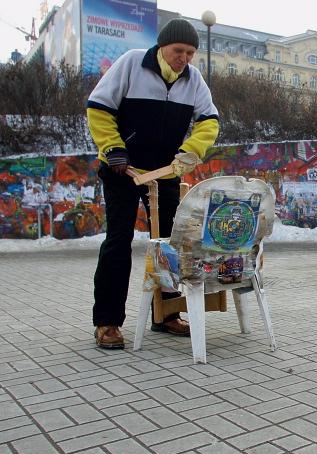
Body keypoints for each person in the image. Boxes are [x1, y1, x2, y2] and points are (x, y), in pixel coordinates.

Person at [87, 18, 220, 349]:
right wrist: (114, 149)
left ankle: (167, 314)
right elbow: (99, 108)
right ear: (162, 47)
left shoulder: (193, 79)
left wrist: (190, 152)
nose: (184, 58)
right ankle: (107, 322)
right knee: (119, 240)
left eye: (190, 53)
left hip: (164, 173)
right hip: (122, 170)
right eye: (178, 51)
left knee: (169, 244)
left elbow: (209, 120)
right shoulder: (132, 63)